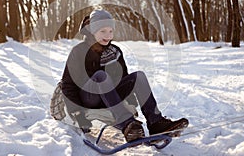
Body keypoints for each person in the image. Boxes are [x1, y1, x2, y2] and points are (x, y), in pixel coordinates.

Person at [61, 9, 188, 142]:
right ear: (92, 31)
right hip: (89, 98)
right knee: (101, 76)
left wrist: (131, 104)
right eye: (102, 31)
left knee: (139, 76)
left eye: (110, 31)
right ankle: (127, 124)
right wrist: (77, 113)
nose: (108, 35)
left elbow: (123, 79)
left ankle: (156, 122)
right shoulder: (79, 51)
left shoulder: (115, 51)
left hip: (111, 96)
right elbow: (68, 85)